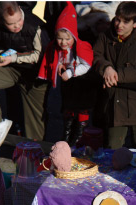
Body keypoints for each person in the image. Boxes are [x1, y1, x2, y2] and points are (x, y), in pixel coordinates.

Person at [92, 1, 136, 150]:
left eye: (125, 21)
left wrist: (118, 75)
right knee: (112, 150)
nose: (119, 25)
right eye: (117, 19)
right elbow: (95, 56)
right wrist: (106, 67)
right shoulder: (105, 37)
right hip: (114, 105)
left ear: (135, 23)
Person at [0, 1, 50, 145]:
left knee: (34, 119)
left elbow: (39, 55)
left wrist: (14, 57)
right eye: (11, 24)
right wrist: (0, 56)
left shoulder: (34, 26)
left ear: (21, 11)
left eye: (19, 20)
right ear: (0, 20)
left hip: (35, 74)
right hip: (12, 68)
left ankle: (34, 153)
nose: (17, 26)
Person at [38, 1, 94, 147]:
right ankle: (67, 133)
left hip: (82, 82)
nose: (63, 42)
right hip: (68, 82)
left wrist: (69, 72)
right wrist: (59, 65)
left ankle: (79, 135)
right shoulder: (56, 47)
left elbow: (86, 65)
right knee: (67, 107)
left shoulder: (81, 47)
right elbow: (57, 58)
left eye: (67, 39)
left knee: (81, 107)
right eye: (60, 38)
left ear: (73, 36)